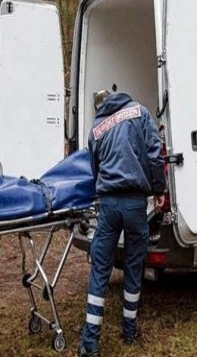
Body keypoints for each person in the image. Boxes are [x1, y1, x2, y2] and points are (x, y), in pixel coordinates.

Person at [78, 90, 166, 357]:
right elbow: (154, 153)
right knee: (133, 265)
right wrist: (158, 190)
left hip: (109, 205)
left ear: (100, 107)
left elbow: (94, 169)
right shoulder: (140, 112)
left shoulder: (96, 129)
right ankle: (129, 331)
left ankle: (90, 344)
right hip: (135, 203)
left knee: (100, 269)